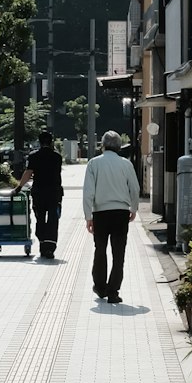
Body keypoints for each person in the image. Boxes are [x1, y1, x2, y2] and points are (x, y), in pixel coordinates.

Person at [82, 129, 140, 304]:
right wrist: (134, 208)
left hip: (100, 212)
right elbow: (135, 189)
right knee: (118, 253)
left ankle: (100, 287)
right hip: (121, 212)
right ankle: (113, 291)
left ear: (103, 145)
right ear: (119, 146)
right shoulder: (126, 164)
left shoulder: (94, 163)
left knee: (100, 250)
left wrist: (88, 216)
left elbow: (88, 192)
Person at [12, 129, 63, 259]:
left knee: (40, 218)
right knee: (53, 219)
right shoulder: (57, 156)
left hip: (39, 192)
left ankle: (42, 243)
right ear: (51, 142)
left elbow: (28, 173)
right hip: (54, 192)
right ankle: (50, 248)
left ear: (39, 143)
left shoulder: (33, 156)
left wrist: (19, 187)